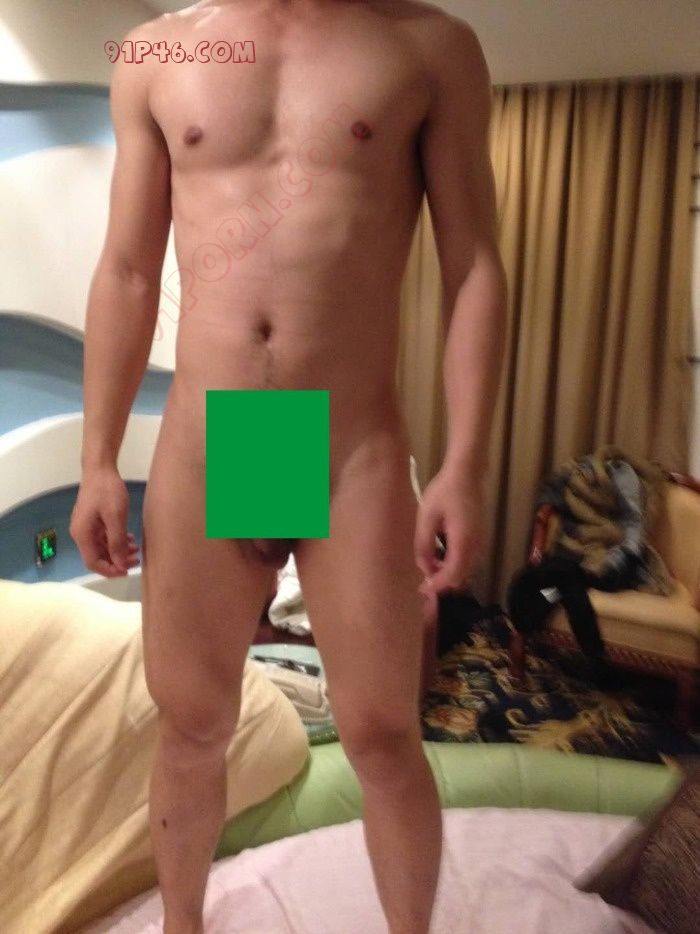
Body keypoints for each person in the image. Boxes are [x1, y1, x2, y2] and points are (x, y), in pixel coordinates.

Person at [70, 1, 507, 931]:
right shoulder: (159, 53)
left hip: (350, 442)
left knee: (383, 735)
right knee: (193, 727)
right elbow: (128, 270)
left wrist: (465, 463)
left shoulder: (427, 46)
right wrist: (97, 457)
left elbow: (473, 264)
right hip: (218, 434)